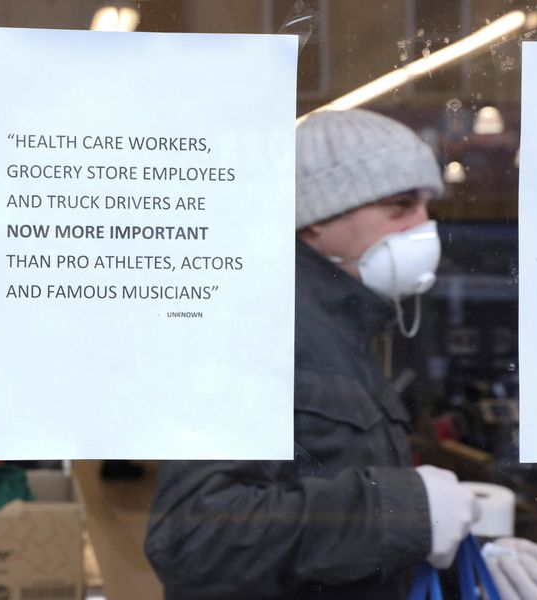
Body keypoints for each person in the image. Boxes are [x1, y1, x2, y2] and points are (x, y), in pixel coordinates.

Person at [144, 109, 501, 598]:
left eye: (426, 205)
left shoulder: (347, 331)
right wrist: (406, 511)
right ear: (314, 219)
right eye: (400, 206)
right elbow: (192, 537)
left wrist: (459, 549)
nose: (424, 226)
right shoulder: (256, 330)